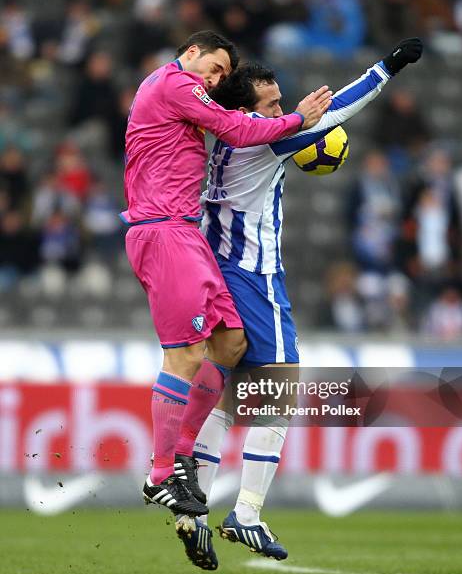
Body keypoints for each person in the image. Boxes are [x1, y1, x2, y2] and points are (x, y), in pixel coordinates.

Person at [177, 38, 423, 569]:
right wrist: (387, 66)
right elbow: (341, 106)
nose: (283, 112)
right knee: (280, 389)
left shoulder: (217, 128)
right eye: (272, 105)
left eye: (282, 102)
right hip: (254, 277)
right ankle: (246, 511)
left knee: (224, 395)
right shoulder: (266, 141)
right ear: (248, 112)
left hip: (213, 268)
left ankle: (193, 515)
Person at [121, 30, 332, 524]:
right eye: (214, 67)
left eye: (221, 75)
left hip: (184, 230)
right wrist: (300, 119)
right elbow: (236, 129)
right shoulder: (173, 82)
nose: (216, 79)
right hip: (161, 230)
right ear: (191, 52)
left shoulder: (179, 94)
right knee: (186, 354)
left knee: (230, 342)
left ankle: (186, 453)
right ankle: (161, 474)